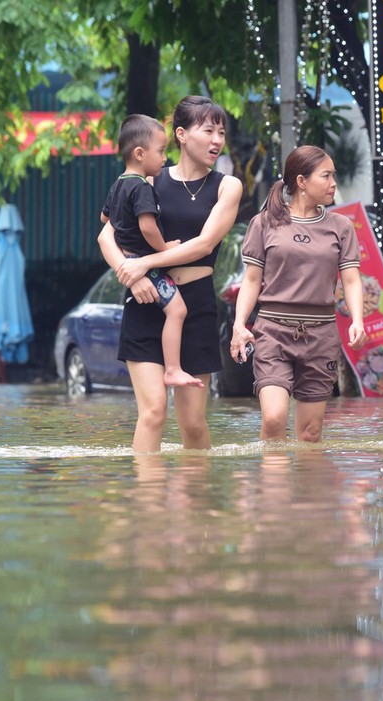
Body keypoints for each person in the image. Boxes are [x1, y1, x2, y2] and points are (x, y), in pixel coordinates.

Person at [98, 95, 243, 453]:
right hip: (147, 302)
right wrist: (131, 274)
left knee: (192, 424)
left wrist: (146, 263)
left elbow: (204, 244)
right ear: (181, 134)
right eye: (208, 130)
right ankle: (148, 505)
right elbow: (106, 235)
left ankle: (194, 503)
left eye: (221, 132)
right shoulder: (146, 180)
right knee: (153, 413)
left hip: (195, 305)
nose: (217, 140)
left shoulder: (227, 186)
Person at [229, 145, 368, 443]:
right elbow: (252, 281)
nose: (334, 184)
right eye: (326, 176)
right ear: (302, 182)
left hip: (321, 335)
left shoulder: (341, 227)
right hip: (273, 332)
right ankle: (274, 490)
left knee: (310, 433)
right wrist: (240, 324)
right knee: (274, 419)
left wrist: (358, 319)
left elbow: (352, 280)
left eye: (334, 176)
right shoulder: (264, 223)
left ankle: (307, 491)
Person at [100, 114, 201, 389]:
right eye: (161, 151)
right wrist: (163, 247)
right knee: (177, 311)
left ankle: (171, 368)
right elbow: (147, 227)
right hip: (148, 267)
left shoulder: (118, 184)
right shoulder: (143, 187)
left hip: (128, 258)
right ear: (139, 153)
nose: (165, 158)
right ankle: (172, 368)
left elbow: (104, 219)